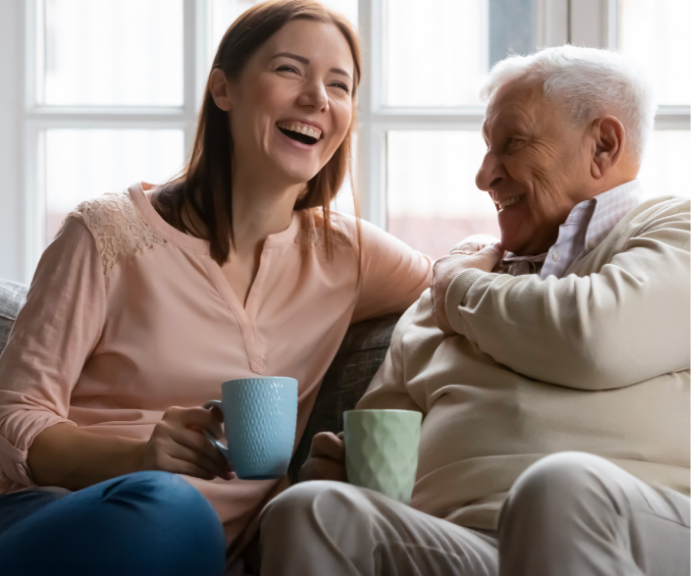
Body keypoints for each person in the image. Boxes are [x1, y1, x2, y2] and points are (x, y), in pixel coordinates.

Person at [0, 0, 432, 576]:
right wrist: (140, 456)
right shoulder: (107, 235)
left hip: (196, 555)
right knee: (172, 504)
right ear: (223, 90)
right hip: (57, 516)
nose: (316, 98)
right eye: (288, 69)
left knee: (188, 523)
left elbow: (463, 284)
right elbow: (11, 421)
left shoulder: (347, 256)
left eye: (340, 84)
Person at [262, 45, 690, 576]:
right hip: (466, 543)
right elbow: (380, 429)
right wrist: (346, 466)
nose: (484, 175)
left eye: (512, 144)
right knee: (310, 511)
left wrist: (458, 287)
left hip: (629, 524)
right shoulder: (444, 296)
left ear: (603, 145)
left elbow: (596, 338)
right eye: (488, 149)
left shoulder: (674, 230)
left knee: (558, 490)